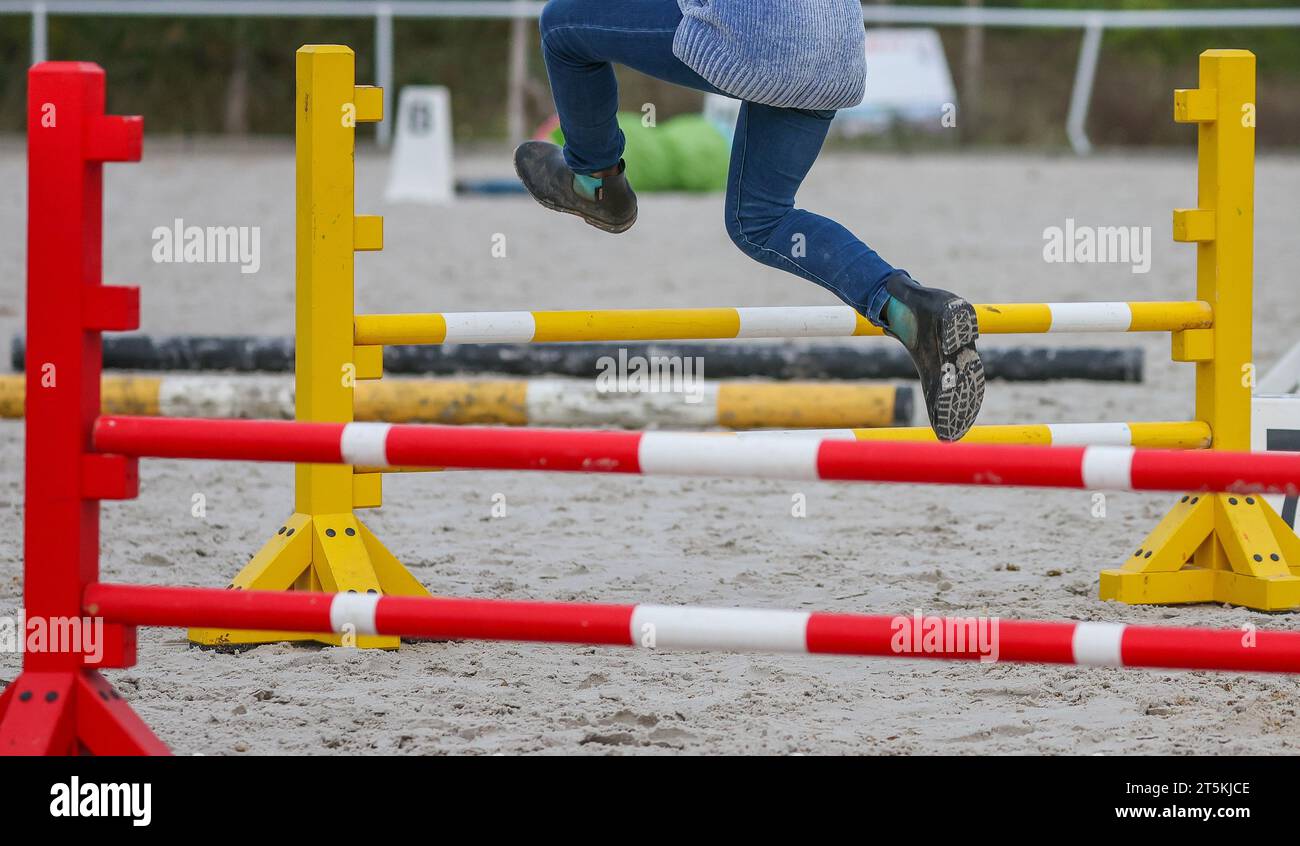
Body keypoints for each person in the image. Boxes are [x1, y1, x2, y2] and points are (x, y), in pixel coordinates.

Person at [514, 0, 984, 440]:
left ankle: (597, 181)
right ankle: (910, 309)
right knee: (761, 219)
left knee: (563, 26)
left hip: (760, 40)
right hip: (835, 50)